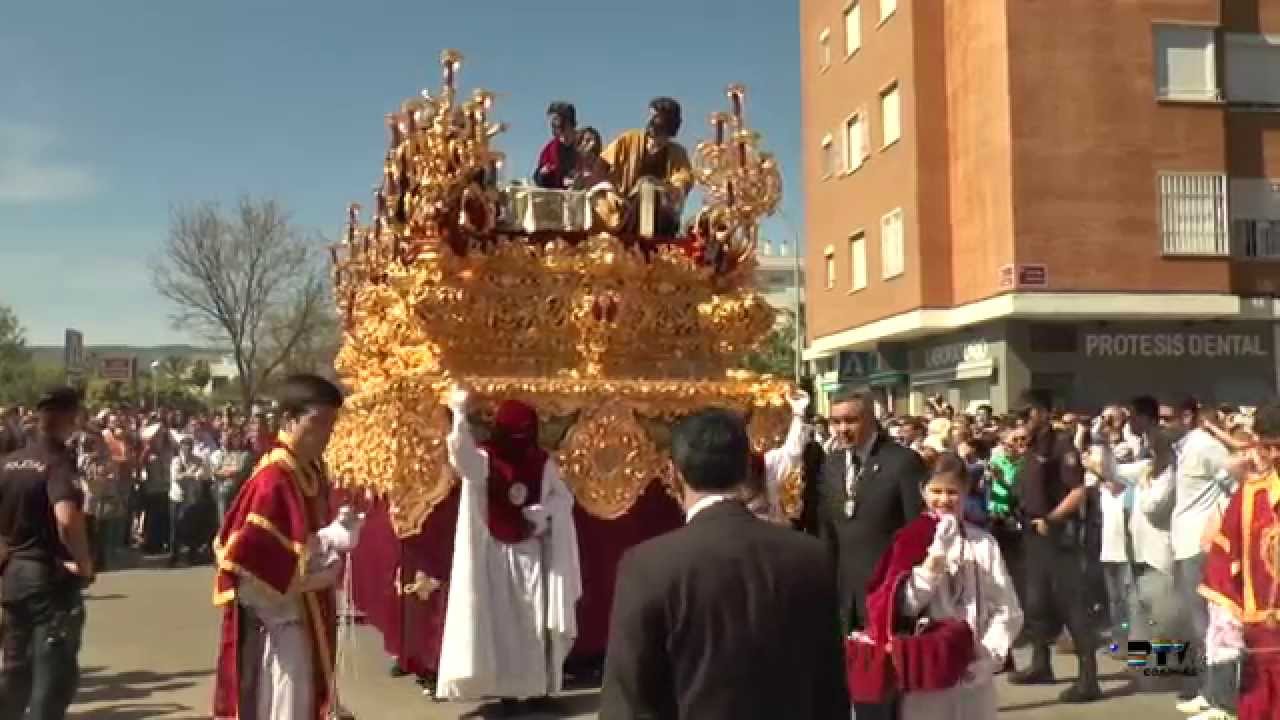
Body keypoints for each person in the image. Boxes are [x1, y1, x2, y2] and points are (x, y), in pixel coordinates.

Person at [599, 408, 848, 719]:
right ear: (746, 468)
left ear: (674, 474)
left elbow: (628, 699)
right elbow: (829, 689)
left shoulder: (649, 566)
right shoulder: (809, 556)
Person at [211, 374, 360, 720]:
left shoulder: (309, 470)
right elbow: (248, 560)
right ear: (289, 420)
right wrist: (324, 544)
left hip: (307, 616)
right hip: (278, 623)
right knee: (285, 703)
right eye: (317, 423)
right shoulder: (272, 480)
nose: (325, 435)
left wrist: (337, 534)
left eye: (331, 425)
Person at [435, 387, 582, 715]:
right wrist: (459, 414)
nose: (521, 440)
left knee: (536, 624)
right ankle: (508, 696)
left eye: (526, 433)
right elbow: (461, 457)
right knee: (503, 626)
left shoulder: (542, 462)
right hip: (494, 557)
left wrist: (542, 513)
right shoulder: (486, 458)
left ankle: (538, 689)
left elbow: (564, 498)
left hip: (533, 554)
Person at [865, 453, 1023, 720]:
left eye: (952, 492)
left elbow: (1006, 606)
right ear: (923, 491)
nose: (944, 500)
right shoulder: (910, 539)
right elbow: (901, 607)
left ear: (965, 491)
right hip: (928, 670)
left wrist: (989, 655)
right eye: (936, 491)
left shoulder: (983, 543)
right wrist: (931, 566)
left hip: (975, 666)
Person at [800, 391, 925, 720]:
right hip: (845, 594)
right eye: (836, 421)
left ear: (871, 419)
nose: (842, 429)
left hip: (888, 593)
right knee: (851, 684)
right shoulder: (830, 466)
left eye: (850, 420)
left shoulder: (902, 462)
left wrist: (909, 588)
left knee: (886, 689)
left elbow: (917, 532)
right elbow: (825, 531)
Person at [0, 387, 95, 720]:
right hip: (48, 579)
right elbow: (67, 518)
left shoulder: (8, 464)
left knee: (13, 671)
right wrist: (83, 563)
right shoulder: (57, 462)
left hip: (12, 577)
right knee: (51, 678)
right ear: (69, 417)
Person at [1007, 389, 1100, 702]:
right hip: (1033, 536)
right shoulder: (1030, 448)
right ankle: (1040, 664)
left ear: (1045, 413)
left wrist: (1052, 517)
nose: (1023, 421)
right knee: (1036, 604)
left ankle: (1089, 678)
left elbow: (1078, 492)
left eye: (1028, 414)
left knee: (1071, 606)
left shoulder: (1061, 447)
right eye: (1020, 416)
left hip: (1058, 537)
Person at [1198, 401, 1280, 720]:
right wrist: (1226, 615)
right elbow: (1222, 553)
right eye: (1268, 447)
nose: (1271, 456)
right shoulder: (1250, 496)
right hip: (1263, 632)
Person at [600, 97, 693, 236]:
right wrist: (610, 191)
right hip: (624, 210)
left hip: (660, 214)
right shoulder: (628, 140)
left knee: (649, 187)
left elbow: (682, 181)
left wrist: (664, 188)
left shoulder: (678, 153)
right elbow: (601, 165)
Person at [532, 102, 579, 190]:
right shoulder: (549, 150)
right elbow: (538, 177)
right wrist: (543, 173)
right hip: (558, 198)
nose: (552, 123)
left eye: (556, 119)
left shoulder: (585, 142)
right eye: (552, 120)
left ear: (568, 121)